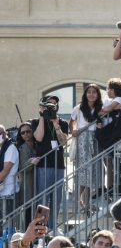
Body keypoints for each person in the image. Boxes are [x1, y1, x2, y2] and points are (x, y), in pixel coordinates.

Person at [30, 94, 69, 230]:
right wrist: (42, 116)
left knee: (56, 198)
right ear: (42, 106)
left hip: (58, 164)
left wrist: (56, 125)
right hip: (43, 165)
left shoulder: (62, 122)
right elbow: (38, 138)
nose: (51, 107)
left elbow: (64, 142)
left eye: (53, 105)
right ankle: (41, 226)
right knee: (43, 198)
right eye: (48, 105)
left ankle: (53, 227)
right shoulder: (35, 122)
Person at [69, 84, 103, 211]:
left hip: (95, 139)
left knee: (94, 172)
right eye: (89, 92)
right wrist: (73, 130)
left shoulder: (100, 108)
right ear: (85, 94)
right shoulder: (79, 108)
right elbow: (71, 122)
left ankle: (87, 202)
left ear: (98, 95)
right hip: (83, 139)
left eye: (94, 92)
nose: (91, 94)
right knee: (84, 171)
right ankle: (78, 199)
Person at [98, 78, 121, 190]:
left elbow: (107, 109)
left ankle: (115, 185)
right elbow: (101, 111)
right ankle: (109, 186)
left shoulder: (118, 99)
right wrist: (103, 110)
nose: (107, 91)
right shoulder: (108, 101)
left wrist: (103, 110)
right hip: (107, 133)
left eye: (109, 89)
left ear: (114, 90)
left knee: (114, 161)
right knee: (107, 160)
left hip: (114, 133)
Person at [15, 122, 38, 227]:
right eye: (22, 133)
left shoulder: (38, 144)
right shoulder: (22, 148)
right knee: (29, 214)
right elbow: (22, 168)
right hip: (28, 185)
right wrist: (30, 161)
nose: (26, 134)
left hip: (39, 181)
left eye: (28, 131)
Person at [0, 125, 19, 219]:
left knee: (7, 223)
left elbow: (5, 171)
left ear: (4, 134)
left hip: (8, 192)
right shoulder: (1, 149)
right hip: (2, 192)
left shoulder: (10, 148)